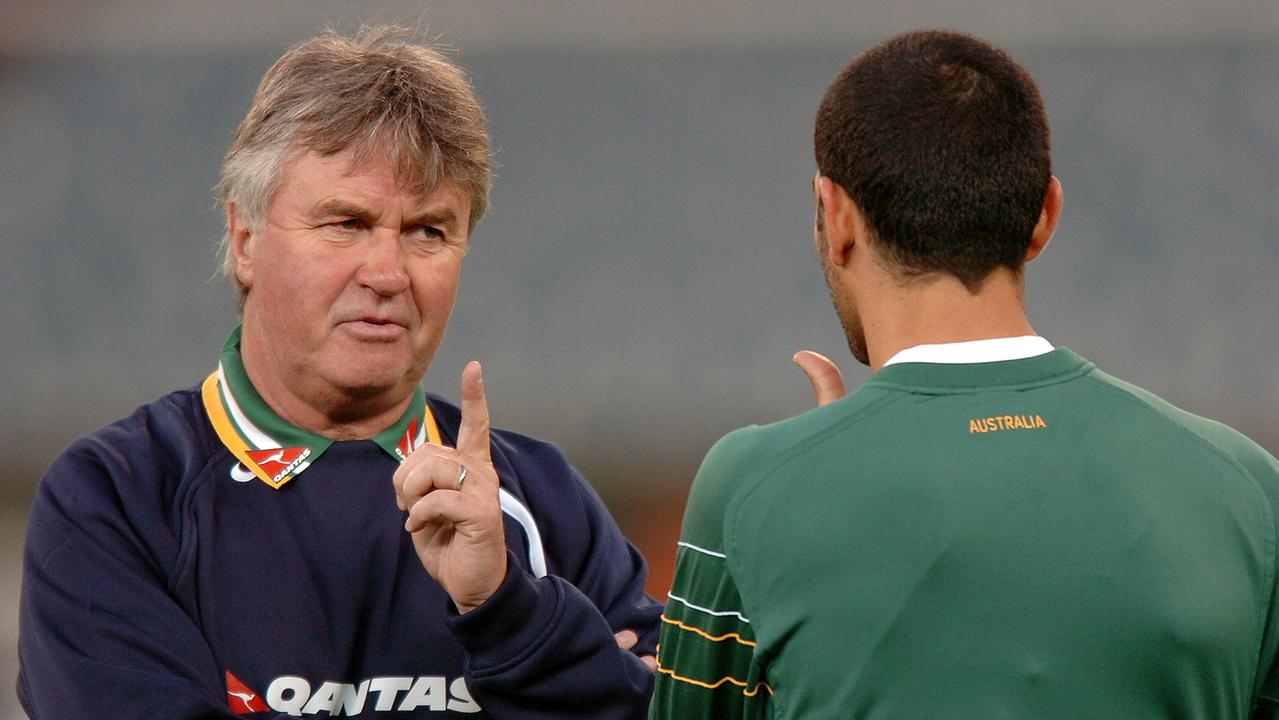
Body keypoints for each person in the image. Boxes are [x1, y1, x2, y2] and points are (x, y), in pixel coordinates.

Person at [18, 27, 661, 719]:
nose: (387, 274)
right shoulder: (115, 501)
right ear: (244, 240)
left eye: (428, 231)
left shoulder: (543, 501)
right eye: (346, 223)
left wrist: (503, 609)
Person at [649, 29, 1279, 719]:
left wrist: (815, 473)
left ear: (835, 217)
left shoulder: (748, 487)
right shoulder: (1248, 485)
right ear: (1044, 215)